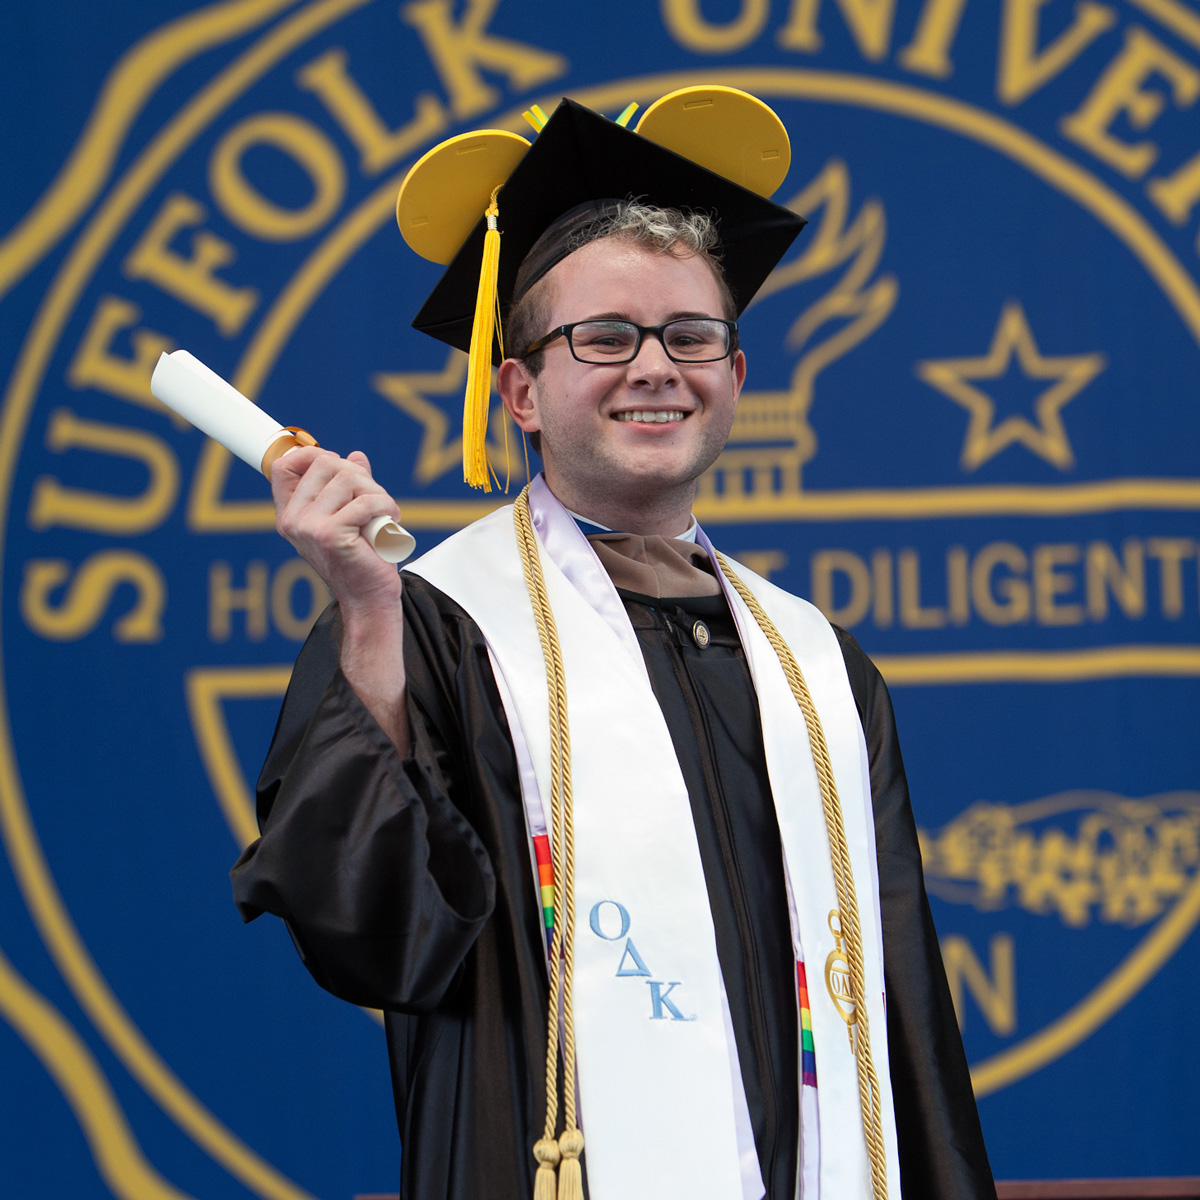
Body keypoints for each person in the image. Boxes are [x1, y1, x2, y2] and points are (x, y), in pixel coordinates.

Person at [232, 92, 994, 1200]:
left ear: (734, 379)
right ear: (521, 391)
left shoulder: (816, 662)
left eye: (692, 337)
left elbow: (905, 1020)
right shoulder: (433, 625)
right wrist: (364, 612)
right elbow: (369, 938)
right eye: (604, 337)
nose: (655, 367)